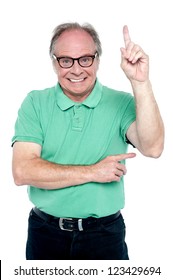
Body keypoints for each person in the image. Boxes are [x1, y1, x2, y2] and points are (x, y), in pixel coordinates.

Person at [12, 22, 164, 260]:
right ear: (54, 62)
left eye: (85, 59)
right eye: (66, 60)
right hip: (45, 234)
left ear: (98, 60)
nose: (76, 70)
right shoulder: (35, 103)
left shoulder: (121, 103)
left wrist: (140, 82)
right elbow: (22, 171)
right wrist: (93, 172)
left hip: (104, 235)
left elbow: (153, 148)